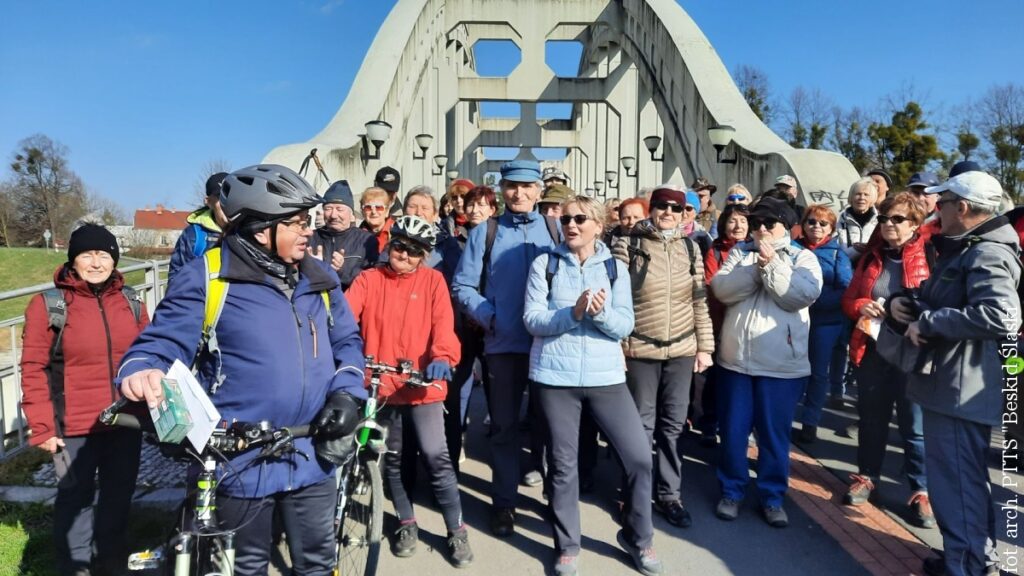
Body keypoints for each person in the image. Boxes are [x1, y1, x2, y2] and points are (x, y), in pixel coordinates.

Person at [118, 164, 367, 576]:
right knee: (244, 568)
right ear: (258, 229)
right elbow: (160, 341)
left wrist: (346, 392)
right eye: (296, 222)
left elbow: (347, 344)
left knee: (317, 564)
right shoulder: (210, 276)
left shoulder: (320, 278)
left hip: (312, 451)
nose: (309, 230)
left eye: (309, 220)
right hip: (239, 459)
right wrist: (143, 368)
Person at [525, 197, 663, 576]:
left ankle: (638, 537)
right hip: (555, 378)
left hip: (606, 378)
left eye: (580, 218)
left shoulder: (615, 268)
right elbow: (533, 320)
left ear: (598, 226)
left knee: (637, 457)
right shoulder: (545, 264)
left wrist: (599, 313)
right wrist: (573, 314)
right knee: (563, 466)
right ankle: (568, 545)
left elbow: (624, 326)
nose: (570, 224)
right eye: (566, 218)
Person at [894, 171, 1022, 576]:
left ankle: (966, 565)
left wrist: (929, 323)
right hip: (951, 385)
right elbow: (951, 298)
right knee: (955, 484)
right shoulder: (970, 247)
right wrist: (908, 302)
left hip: (959, 389)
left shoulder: (986, 251)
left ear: (962, 208)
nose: (938, 207)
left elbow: (1001, 315)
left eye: (944, 201)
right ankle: (962, 557)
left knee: (959, 485)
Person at [344, 215, 473, 567]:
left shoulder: (433, 282)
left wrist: (443, 358)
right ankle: (405, 521)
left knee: (436, 456)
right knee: (394, 459)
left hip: (421, 384)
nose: (403, 254)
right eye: (399, 245)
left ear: (424, 255)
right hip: (382, 383)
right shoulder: (369, 279)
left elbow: (444, 327)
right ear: (389, 243)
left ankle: (456, 528)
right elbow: (344, 322)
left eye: (414, 251)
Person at [20, 224, 149, 576]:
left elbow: (149, 356)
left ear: (114, 259)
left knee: (117, 501)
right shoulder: (49, 305)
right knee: (75, 504)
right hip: (72, 427)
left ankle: (111, 565)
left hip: (125, 421)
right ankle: (74, 568)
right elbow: (34, 366)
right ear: (73, 261)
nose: (96, 263)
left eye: (104, 255)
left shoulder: (132, 302)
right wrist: (43, 425)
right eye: (87, 255)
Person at [452, 159, 560, 537]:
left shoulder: (555, 229)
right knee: (504, 428)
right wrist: (490, 316)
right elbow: (463, 285)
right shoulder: (486, 232)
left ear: (539, 191)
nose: (519, 193)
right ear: (502, 190)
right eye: (512, 186)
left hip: (550, 347)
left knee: (551, 429)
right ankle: (504, 504)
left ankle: (555, 501)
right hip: (503, 345)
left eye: (527, 187)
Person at [710, 196, 822, 527]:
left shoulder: (804, 258)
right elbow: (722, 289)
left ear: (786, 227)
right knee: (733, 432)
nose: (760, 229)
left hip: (781, 368)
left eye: (768, 224)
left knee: (774, 437)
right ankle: (732, 490)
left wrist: (771, 265)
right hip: (736, 363)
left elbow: (797, 296)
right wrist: (758, 268)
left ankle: (772, 497)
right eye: (756, 223)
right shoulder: (739, 253)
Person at [612, 183, 714, 529]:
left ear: (685, 212)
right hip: (641, 346)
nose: (668, 213)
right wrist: (618, 346)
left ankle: (670, 494)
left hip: (682, 348)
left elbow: (699, 300)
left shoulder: (691, 248)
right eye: (662, 206)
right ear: (651, 208)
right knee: (641, 424)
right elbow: (616, 299)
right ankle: (634, 493)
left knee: (673, 426)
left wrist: (705, 347)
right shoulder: (628, 244)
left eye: (676, 207)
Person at [839, 192, 933, 527]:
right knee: (871, 418)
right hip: (874, 348)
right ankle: (867, 477)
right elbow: (849, 300)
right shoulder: (871, 257)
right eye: (883, 218)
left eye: (897, 219)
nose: (888, 224)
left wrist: (904, 307)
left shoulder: (931, 254)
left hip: (914, 352)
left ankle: (921, 491)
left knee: (915, 426)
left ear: (915, 223)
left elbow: (941, 304)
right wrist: (862, 304)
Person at [446, 185, 498, 470]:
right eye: (470, 204)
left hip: (490, 321)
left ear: (492, 209)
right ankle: (457, 439)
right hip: (462, 321)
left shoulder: (498, 235)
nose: (475, 210)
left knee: (494, 382)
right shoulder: (450, 236)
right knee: (460, 383)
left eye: (482, 205)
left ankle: (496, 437)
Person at [793, 205, 853, 443]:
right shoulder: (791, 249)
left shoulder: (838, 254)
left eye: (823, 223)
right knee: (789, 370)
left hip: (825, 322)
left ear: (831, 228)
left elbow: (845, 288)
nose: (816, 227)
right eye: (811, 222)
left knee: (818, 373)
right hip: (794, 319)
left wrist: (812, 299)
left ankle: (810, 422)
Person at [699, 204, 750, 446]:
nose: (738, 226)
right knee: (716, 378)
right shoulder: (716, 251)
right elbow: (712, 284)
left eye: (743, 221)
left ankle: (738, 426)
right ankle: (709, 423)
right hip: (721, 320)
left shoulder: (755, 250)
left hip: (747, 323)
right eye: (732, 221)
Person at [308, 179, 378, 290]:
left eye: (339, 209)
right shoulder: (310, 238)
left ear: (351, 215)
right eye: (328, 209)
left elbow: (371, 280)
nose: (333, 215)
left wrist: (342, 270)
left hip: (349, 302)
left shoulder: (366, 241)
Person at [169, 172, 229, 281]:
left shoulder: (251, 231)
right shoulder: (193, 236)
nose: (227, 203)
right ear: (208, 202)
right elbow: (176, 281)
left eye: (231, 196)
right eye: (221, 198)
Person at [836, 177, 879, 264]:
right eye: (858, 194)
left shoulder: (880, 222)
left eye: (866, 195)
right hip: (845, 269)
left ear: (873, 198)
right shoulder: (839, 222)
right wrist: (855, 250)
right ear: (851, 197)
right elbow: (834, 252)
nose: (861, 198)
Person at [359, 186, 396, 252]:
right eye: (368, 207)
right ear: (362, 211)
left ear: (387, 211)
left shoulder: (397, 233)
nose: (373, 212)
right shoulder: (356, 236)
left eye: (379, 207)